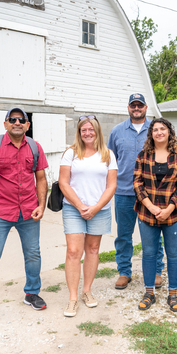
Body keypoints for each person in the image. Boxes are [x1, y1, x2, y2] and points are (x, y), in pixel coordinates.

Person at [0, 107, 49, 325]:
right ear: (5, 124)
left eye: (21, 120)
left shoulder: (35, 147)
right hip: (0, 213)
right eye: (12, 119)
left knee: (33, 254)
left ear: (27, 125)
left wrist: (41, 205)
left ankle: (32, 293)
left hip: (28, 211)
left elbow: (41, 178)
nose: (17, 122)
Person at [59, 115, 117, 317]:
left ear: (97, 131)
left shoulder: (108, 154)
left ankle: (87, 291)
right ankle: (73, 297)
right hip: (74, 208)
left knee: (92, 249)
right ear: (79, 132)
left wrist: (96, 207)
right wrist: (81, 206)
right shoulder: (70, 153)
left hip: (99, 210)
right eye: (84, 130)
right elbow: (64, 183)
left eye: (91, 129)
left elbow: (111, 185)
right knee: (74, 251)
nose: (87, 133)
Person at [108, 93, 164, 290]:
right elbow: (111, 162)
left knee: (154, 235)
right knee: (124, 235)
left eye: (140, 105)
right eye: (134, 105)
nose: (137, 108)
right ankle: (124, 272)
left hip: (152, 193)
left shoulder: (156, 130)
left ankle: (157, 270)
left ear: (146, 107)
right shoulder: (116, 131)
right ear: (129, 107)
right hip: (124, 192)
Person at [133, 118, 177, 312]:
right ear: (151, 134)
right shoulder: (143, 155)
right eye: (155, 129)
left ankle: (173, 294)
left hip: (173, 215)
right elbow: (137, 183)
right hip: (148, 214)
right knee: (149, 253)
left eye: (162, 129)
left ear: (169, 132)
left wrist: (169, 209)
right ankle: (149, 293)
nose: (159, 132)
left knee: (173, 254)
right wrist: (151, 207)